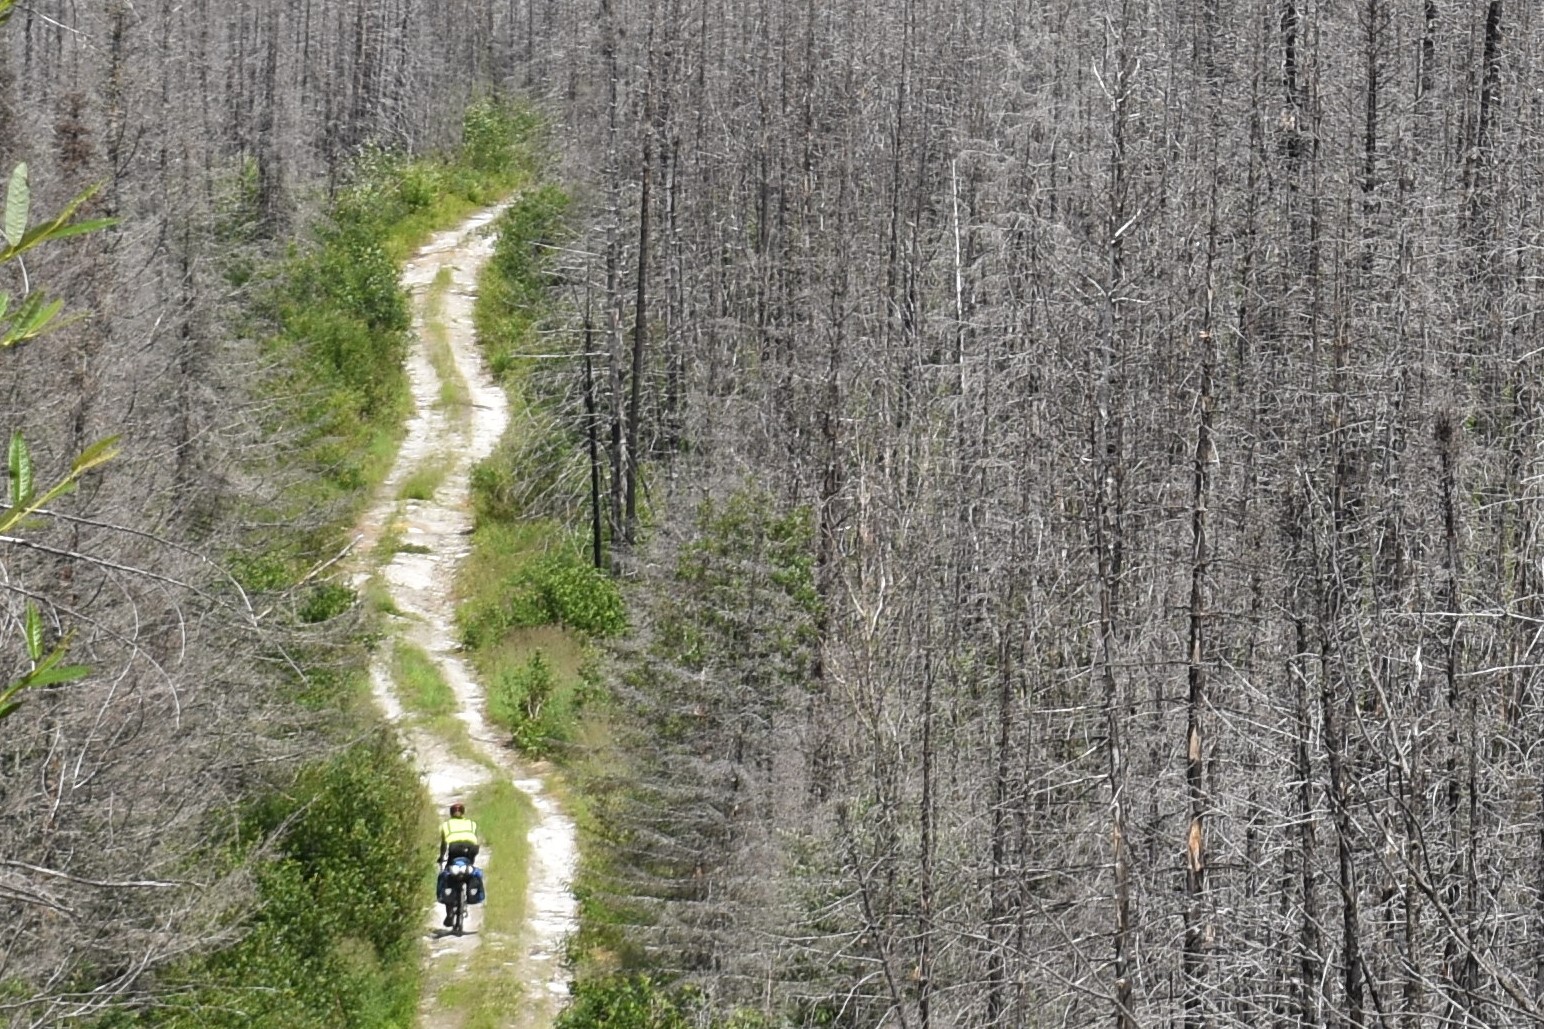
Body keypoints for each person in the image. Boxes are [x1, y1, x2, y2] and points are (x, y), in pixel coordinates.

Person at [438, 802, 480, 926]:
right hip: (470, 850)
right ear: (463, 813)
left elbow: (444, 845)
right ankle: (469, 895)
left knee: (447, 876)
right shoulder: (472, 824)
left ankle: (450, 912)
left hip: (454, 850)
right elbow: (474, 839)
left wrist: (441, 858)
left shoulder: (446, 825)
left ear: (451, 813)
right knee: (469, 870)